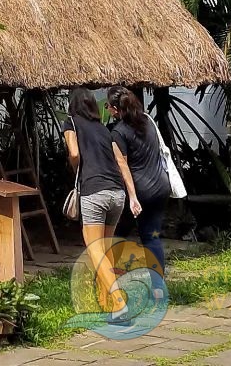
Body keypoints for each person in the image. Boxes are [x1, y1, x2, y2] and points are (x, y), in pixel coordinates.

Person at [63, 87, 141, 318]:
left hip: (94, 191)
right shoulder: (104, 129)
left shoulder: (71, 123)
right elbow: (118, 160)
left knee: (94, 248)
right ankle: (106, 301)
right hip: (117, 193)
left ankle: (118, 302)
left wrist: (76, 170)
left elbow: (74, 153)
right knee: (105, 248)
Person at [107, 86, 171, 289]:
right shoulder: (147, 121)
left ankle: (107, 279)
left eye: (108, 106)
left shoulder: (118, 132)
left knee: (117, 233)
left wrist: (133, 197)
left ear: (115, 109)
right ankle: (158, 287)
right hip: (161, 186)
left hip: (141, 191)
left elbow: (123, 166)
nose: (107, 109)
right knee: (152, 236)